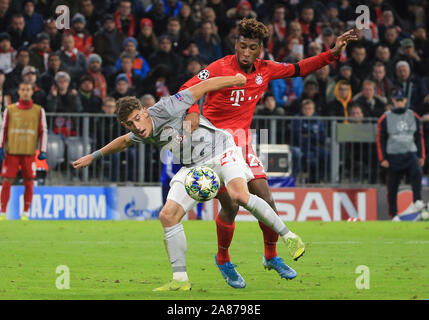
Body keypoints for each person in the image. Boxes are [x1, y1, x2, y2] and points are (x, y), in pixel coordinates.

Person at [72, 73, 305, 291]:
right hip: (194, 166)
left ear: (144, 111)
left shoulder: (166, 106)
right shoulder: (139, 131)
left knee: (239, 196)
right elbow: (124, 141)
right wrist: (93, 157)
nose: (137, 127)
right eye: (130, 124)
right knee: (167, 216)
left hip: (222, 150)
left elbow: (203, 86)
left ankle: (289, 237)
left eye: (137, 119)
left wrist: (234, 80)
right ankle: (180, 279)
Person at [179, 18, 357, 288]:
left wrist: (331, 54)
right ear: (235, 44)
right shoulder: (219, 67)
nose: (246, 52)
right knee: (231, 205)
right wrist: (193, 112)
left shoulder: (266, 69)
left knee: (266, 198)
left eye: (252, 47)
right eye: (242, 46)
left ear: (260, 49)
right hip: (212, 143)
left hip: (242, 143)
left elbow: (299, 68)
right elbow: (187, 89)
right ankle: (223, 259)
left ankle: (271, 256)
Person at [0, 82, 47, 221]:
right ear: (19, 92)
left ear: (32, 92)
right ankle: (2, 212)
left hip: (29, 152)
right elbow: (4, 129)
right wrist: (1, 146)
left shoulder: (39, 110)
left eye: (28, 90)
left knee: (29, 182)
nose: (25, 92)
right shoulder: (10, 109)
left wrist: (42, 150)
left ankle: (26, 213)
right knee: (7, 181)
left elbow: (43, 130)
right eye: (23, 90)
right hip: (12, 151)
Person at [377, 88, 426, 219]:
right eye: (396, 100)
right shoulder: (385, 118)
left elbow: (419, 137)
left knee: (417, 172)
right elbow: (380, 140)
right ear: (393, 101)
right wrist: (383, 159)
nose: (399, 103)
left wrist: (421, 155)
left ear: (405, 100)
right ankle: (393, 214)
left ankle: (417, 200)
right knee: (392, 187)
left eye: (401, 100)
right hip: (393, 156)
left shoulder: (413, 116)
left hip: (410, 153)